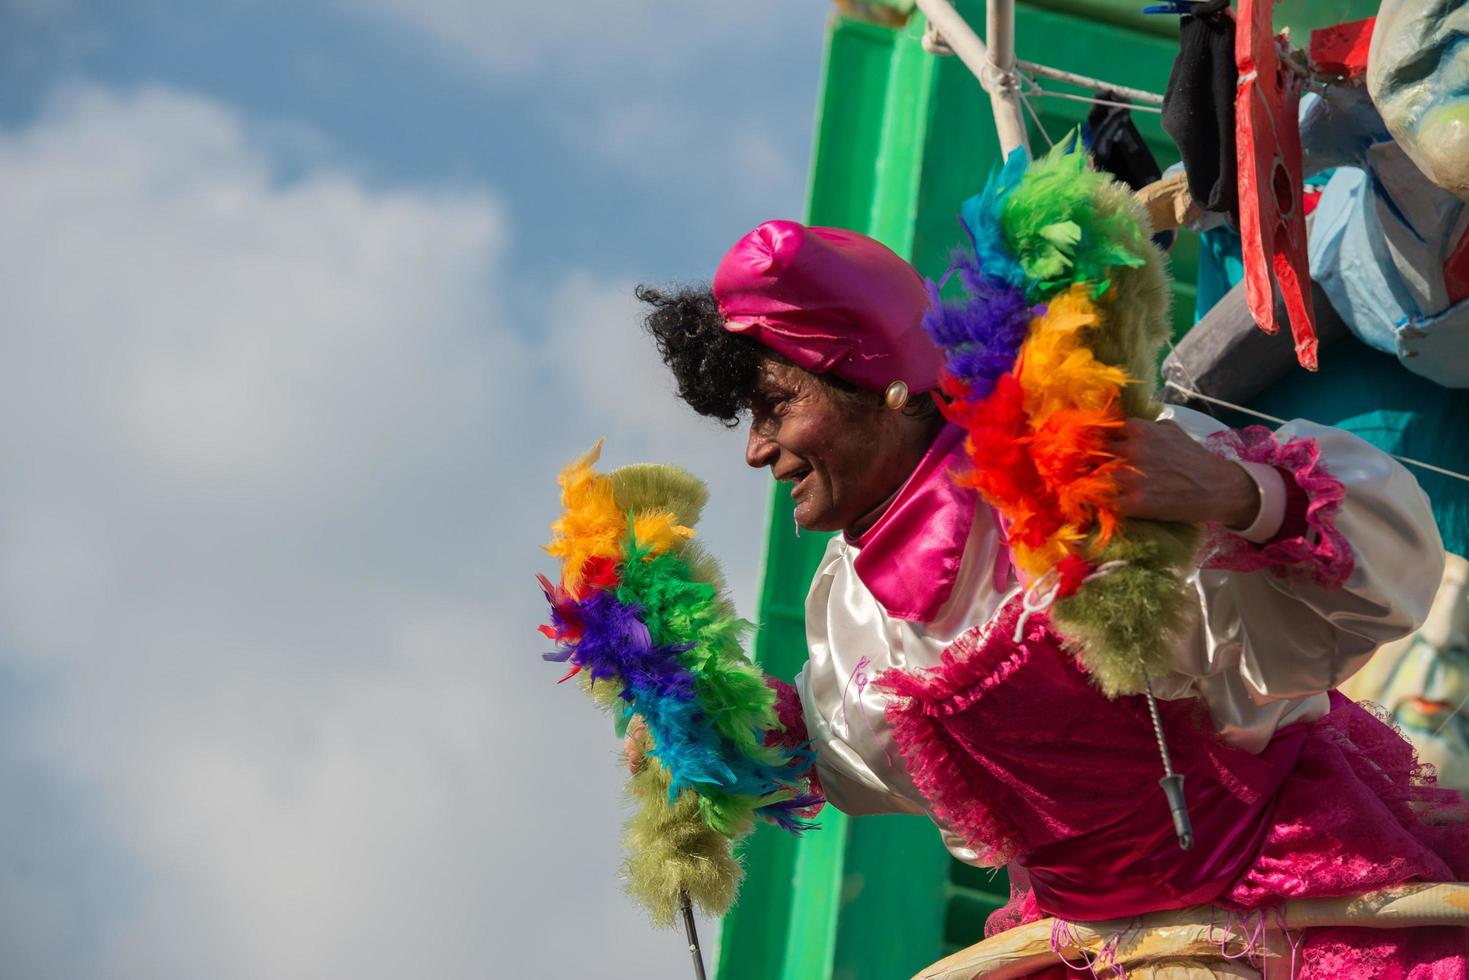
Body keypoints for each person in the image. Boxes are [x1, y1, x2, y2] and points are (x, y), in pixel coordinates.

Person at [638, 219, 1469, 975]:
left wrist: (1235, 491)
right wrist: (723, 736)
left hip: (1288, 908)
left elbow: (1385, 576)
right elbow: (861, 765)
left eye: (773, 406)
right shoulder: (847, 602)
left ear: (876, 380)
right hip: (1083, 951)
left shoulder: (1080, 473)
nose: (753, 451)